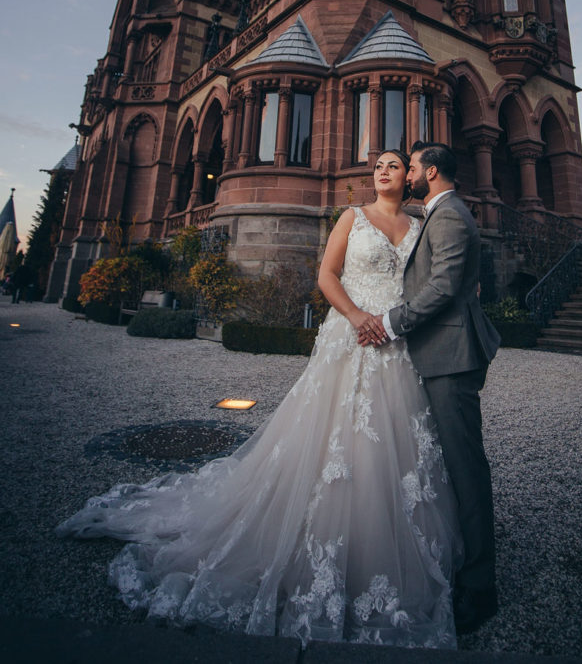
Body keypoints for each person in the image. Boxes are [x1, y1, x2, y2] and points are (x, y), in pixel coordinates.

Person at [57, 151, 461, 647]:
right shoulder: (352, 217)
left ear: (411, 176)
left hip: (396, 345)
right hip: (352, 335)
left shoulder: (421, 224)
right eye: (378, 164)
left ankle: (381, 549)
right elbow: (326, 276)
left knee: (390, 445)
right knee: (327, 439)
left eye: (395, 165)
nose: (384, 171)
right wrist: (357, 317)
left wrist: (396, 322)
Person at [358, 141, 501, 635]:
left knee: (465, 467)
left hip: (451, 357)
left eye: (412, 166)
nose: (408, 172)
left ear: (431, 171)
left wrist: (393, 322)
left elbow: (442, 288)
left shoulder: (451, 216)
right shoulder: (436, 215)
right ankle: (455, 556)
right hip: (437, 354)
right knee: (446, 463)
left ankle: (481, 588)